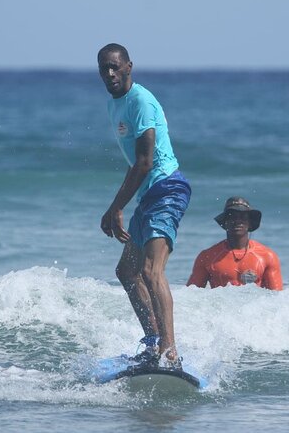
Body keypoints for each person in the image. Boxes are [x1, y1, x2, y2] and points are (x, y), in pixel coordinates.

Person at [97, 43, 191, 368]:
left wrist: (115, 207)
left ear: (128, 67)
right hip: (150, 193)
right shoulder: (115, 104)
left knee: (152, 271)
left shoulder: (141, 101)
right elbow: (133, 162)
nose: (109, 73)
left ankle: (169, 352)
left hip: (167, 188)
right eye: (103, 68)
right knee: (127, 271)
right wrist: (118, 204)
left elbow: (145, 162)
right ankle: (153, 343)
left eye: (114, 66)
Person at [187, 197, 283, 290]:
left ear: (250, 223)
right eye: (232, 216)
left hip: (254, 307)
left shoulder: (267, 256)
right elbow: (190, 297)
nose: (237, 221)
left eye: (243, 217)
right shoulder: (207, 257)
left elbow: (277, 298)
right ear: (225, 222)